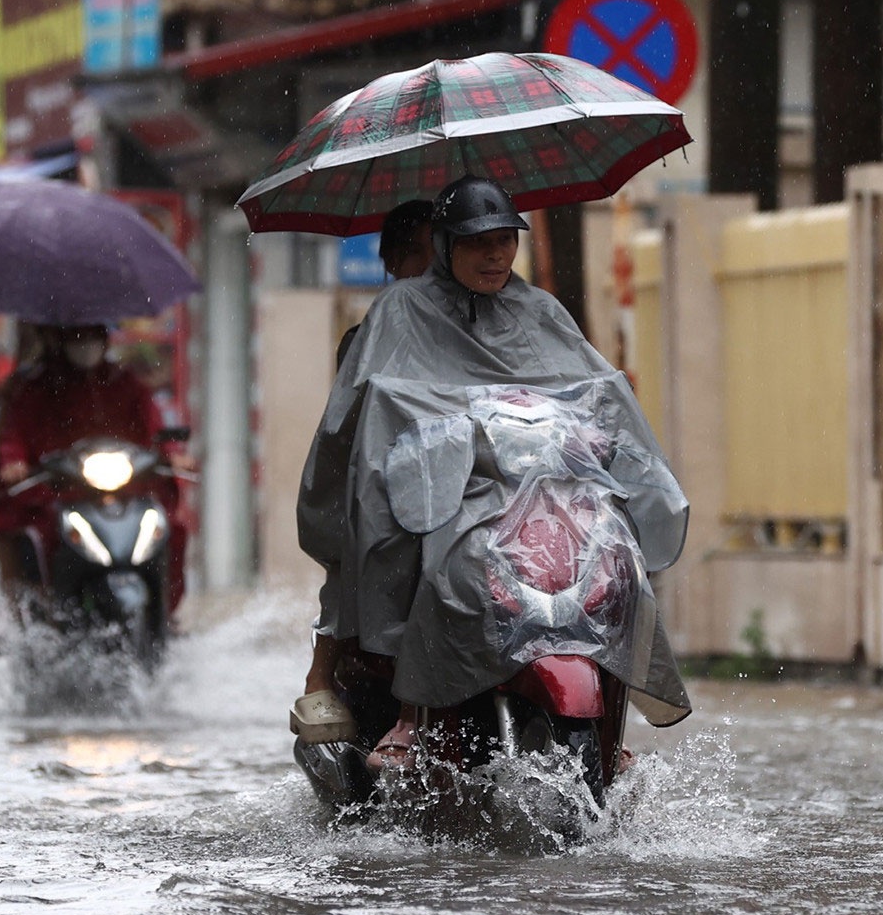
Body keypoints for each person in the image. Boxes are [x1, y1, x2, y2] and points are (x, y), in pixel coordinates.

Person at [291, 175, 691, 772]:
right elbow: (373, 410)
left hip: (541, 485)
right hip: (452, 488)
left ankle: (612, 716)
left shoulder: (540, 310)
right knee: (426, 546)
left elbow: (593, 389)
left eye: (505, 239)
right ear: (446, 244)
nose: (496, 254)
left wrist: (607, 434)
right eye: (479, 242)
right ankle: (409, 711)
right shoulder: (401, 308)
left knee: (611, 546)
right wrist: (439, 439)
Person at [292, 200, 434, 742]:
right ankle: (322, 676)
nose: (433, 265)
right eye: (419, 252)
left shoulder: (501, 320)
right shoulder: (369, 335)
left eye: (441, 250)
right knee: (368, 538)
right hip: (402, 486)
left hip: (484, 486)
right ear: (394, 262)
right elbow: (349, 434)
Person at [0, 324, 186, 628]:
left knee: (170, 528)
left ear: (105, 339)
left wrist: (173, 452)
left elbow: (155, 427)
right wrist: (14, 462)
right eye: (76, 336)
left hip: (126, 490)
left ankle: (166, 615)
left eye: (91, 336)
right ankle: (30, 620)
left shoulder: (126, 383)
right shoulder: (36, 387)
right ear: (59, 339)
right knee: (26, 534)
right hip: (56, 492)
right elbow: (14, 436)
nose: (85, 344)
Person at [334, 200, 434, 368]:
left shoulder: (473, 336)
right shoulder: (360, 344)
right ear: (390, 260)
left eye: (439, 251)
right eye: (414, 251)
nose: (429, 263)